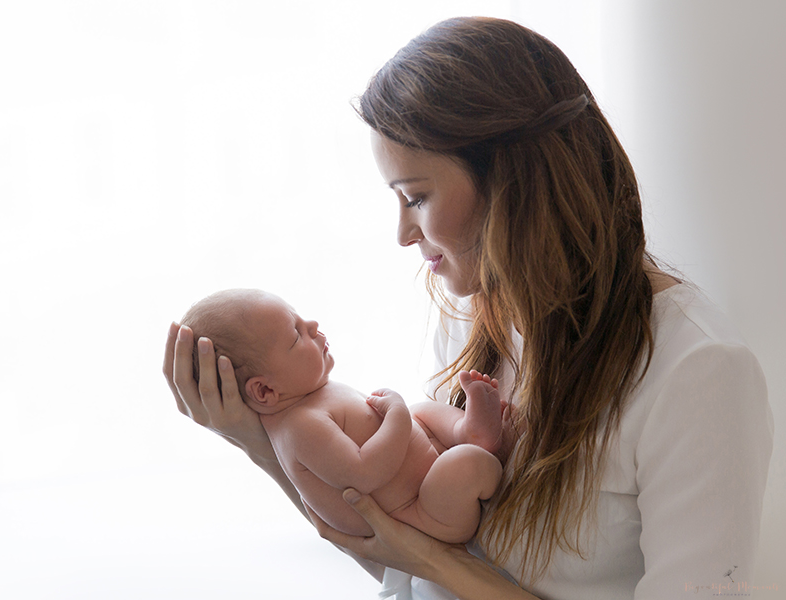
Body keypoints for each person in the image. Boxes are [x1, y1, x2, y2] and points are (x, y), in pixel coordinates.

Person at [163, 16, 773, 600]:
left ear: (515, 184)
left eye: (417, 197)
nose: (403, 234)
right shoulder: (469, 320)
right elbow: (396, 538)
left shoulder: (698, 373)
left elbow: (420, 557)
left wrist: (432, 561)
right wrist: (258, 439)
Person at [179, 288, 509, 544]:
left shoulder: (311, 397)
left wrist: (406, 416)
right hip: (423, 515)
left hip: (424, 477)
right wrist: (397, 416)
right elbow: (363, 474)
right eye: (296, 334)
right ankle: (480, 451)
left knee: (422, 410)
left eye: (301, 319)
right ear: (265, 391)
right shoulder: (299, 427)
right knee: (463, 462)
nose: (313, 326)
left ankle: (470, 431)